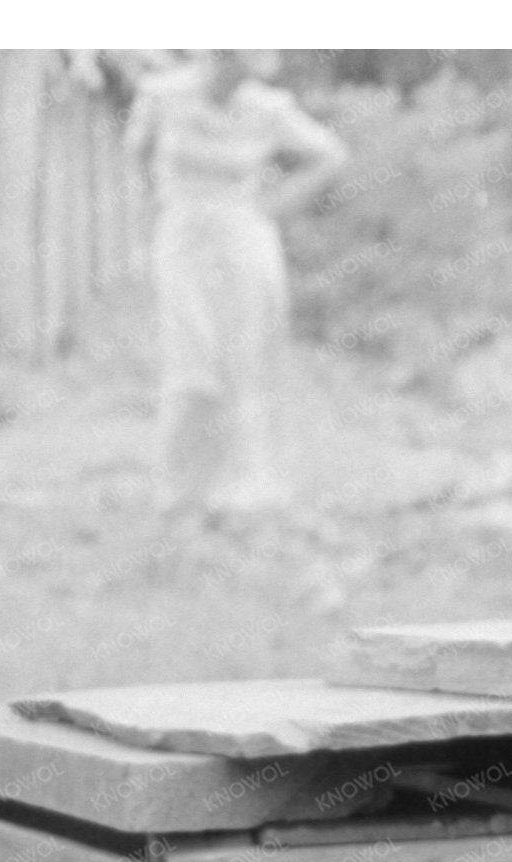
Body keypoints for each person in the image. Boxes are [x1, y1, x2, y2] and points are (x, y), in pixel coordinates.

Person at [123, 50, 343, 518]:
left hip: (244, 243)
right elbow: (137, 155)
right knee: (193, 366)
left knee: (245, 364)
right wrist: (159, 206)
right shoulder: (161, 96)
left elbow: (328, 155)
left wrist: (272, 207)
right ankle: (180, 492)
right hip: (183, 239)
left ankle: (245, 490)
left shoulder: (268, 108)